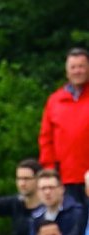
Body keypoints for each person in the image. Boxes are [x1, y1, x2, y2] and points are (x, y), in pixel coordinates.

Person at [39, 47, 89, 206]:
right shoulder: (54, 101)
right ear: (67, 72)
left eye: (81, 66)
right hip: (64, 179)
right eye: (73, 67)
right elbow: (46, 139)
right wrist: (49, 170)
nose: (77, 71)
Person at [27, 169, 85, 235]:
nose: (47, 192)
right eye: (43, 188)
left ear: (61, 189)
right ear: (38, 192)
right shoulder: (36, 216)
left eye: (51, 188)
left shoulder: (76, 213)